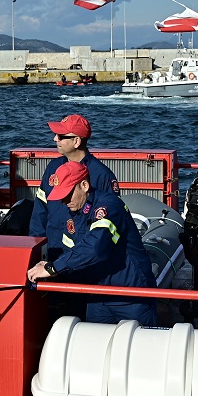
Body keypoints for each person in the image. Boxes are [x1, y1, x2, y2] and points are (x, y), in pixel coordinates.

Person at [26, 161, 157, 326]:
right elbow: (72, 248)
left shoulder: (109, 206)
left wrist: (52, 269)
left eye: (67, 194)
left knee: (137, 346)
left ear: (84, 185)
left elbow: (95, 248)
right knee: (95, 346)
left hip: (130, 293)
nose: (64, 201)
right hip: (98, 294)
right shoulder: (75, 210)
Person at [29, 114, 121, 263]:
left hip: (81, 258)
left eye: (60, 136)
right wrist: (36, 246)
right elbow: (40, 211)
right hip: (51, 249)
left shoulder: (101, 176)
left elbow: (109, 225)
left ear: (76, 141)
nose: (55, 139)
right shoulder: (53, 168)